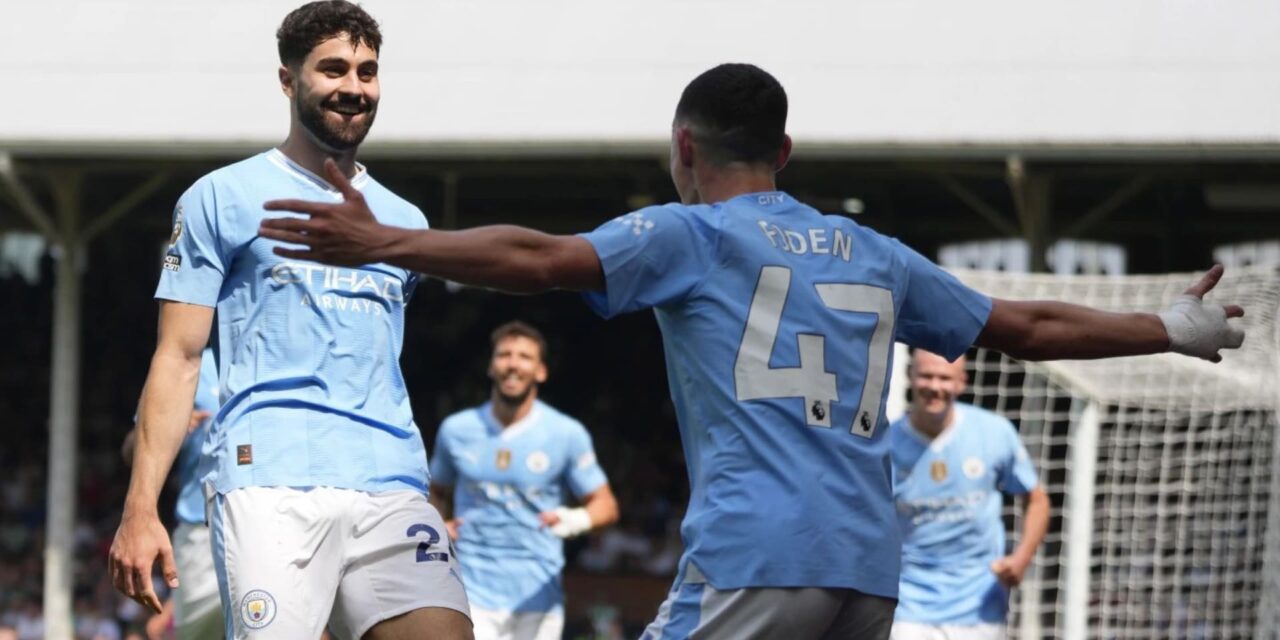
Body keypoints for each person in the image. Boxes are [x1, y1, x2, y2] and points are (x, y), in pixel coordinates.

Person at [256, 63, 1245, 639]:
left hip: (754, 556)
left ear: (684, 152)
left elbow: (539, 257)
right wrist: (1167, 326)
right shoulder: (877, 252)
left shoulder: (695, 235)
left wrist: (385, 240)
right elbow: (1025, 328)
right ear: (786, 152)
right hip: (867, 575)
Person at [107, 2, 471, 639]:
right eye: (333, 69)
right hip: (267, 482)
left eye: (367, 71)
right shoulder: (220, 197)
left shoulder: (405, 221)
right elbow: (179, 357)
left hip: (391, 480)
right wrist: (141, 508)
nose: (353, 88)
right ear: (288, 81)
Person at [430, 321, 619, 640]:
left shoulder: (566, 434)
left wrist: (575, 518)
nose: (513, 363)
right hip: (469, 593)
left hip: (537, 599)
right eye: (504, 354)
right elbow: (435, 490)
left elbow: (606, 506)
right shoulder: (456, 430)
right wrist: (435, 526)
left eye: (524, 356)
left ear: (541, 371)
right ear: (492, 366)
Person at [889, 350, 1049, 640]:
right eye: (926, 375)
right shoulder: (886, 444)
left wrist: (1021, 558)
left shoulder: (993, 433)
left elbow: (1036, 499)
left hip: (979, 604)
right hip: (908, 603)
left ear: (962, 382)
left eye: (945, 378)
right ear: (910, 376)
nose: (935, 386)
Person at [121, 348, 222, 640]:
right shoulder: (186, 361)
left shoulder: (267, 351)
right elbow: (130, 449)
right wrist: (171, 428)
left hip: (265, 515)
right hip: (199, 533)